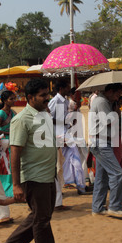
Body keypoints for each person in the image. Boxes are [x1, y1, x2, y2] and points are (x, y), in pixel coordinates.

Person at [3, 78, 64, 243]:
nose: (48, 99)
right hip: (33, 177)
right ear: (30, 98)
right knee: (42, 220)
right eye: (43, 96)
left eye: (48, 94)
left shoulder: (44, 114)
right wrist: (17, 185)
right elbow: (15, 152)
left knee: (41, 215)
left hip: (48, 175)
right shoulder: (21, 120)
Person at [89, 83, 122, 218]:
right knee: (117, 174)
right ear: (110, 91)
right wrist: (117, 112)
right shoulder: (101, 101)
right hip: (101, 142)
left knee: (102, 177)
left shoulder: (106, 102)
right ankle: (114, 206)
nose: (118, 97)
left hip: (104, 141)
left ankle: (97, 207)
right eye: (117, 94)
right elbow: (109, 121)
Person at [48, 79, 74, 210]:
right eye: (67, 87)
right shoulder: (55, 101)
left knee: (62, 165)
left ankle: (62, 191)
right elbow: (49, 117)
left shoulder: (66, 101)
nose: (69, 89)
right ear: (61, 88)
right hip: (57, 135)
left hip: (63, 133)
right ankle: (57, 201)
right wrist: (62, 121)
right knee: (58, 165)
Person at [0, 90, 17, 197]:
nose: (13, 101)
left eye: (14, 98)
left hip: (11, 140)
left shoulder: (12, 112)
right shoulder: (1, 113)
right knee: (6, 165)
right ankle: (6, 189)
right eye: (11, 99)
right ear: (5, 101)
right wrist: (7, 132)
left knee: (11, 165)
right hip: (4, 141)